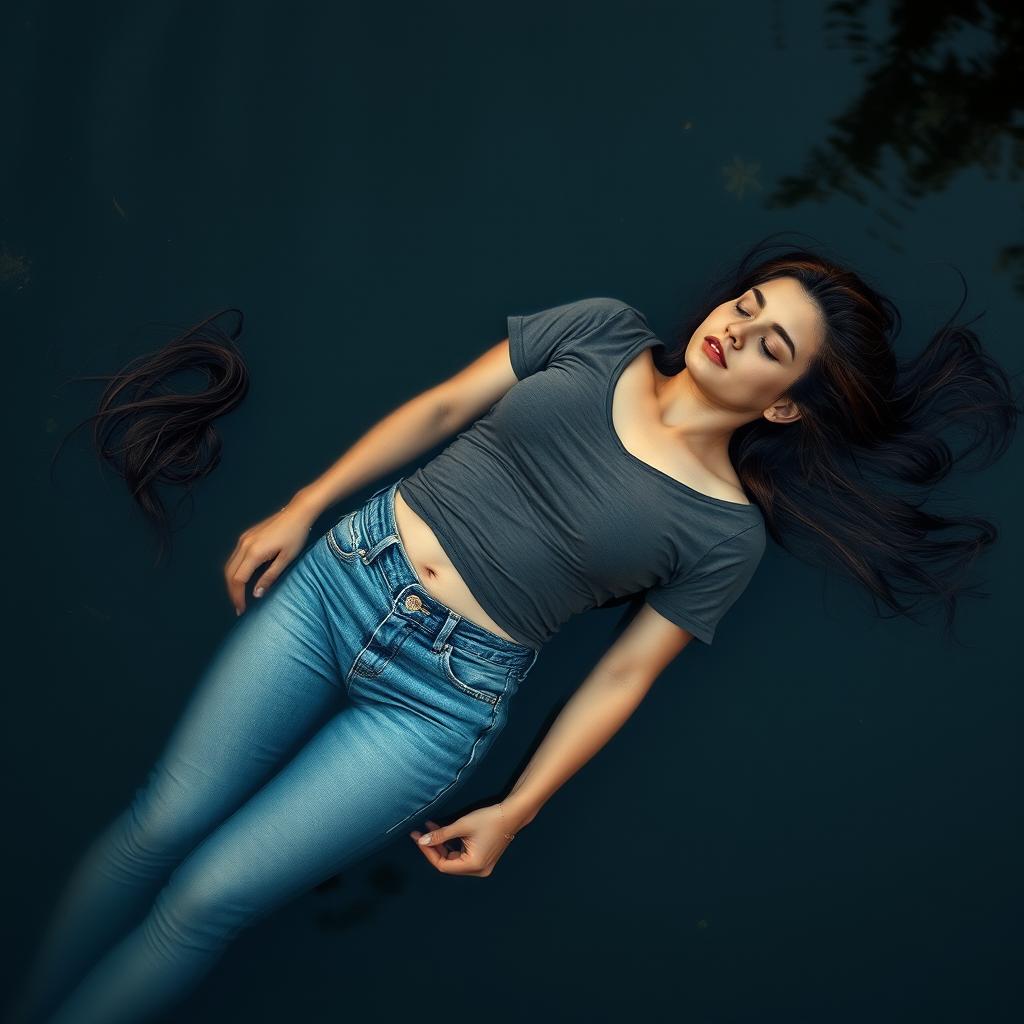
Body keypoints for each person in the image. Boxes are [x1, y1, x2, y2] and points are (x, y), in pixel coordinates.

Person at [10, 236, 1020, 1023]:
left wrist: (521, 806)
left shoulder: (725, 532)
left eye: (772, 346)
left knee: (208, 898)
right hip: (339, 584)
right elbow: (445, 405)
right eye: (748, 305)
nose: (736, 329)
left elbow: (624, 677)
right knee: (160, 826)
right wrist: (304, 504)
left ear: (791, 409)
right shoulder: (600, 329)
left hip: (434, 705)